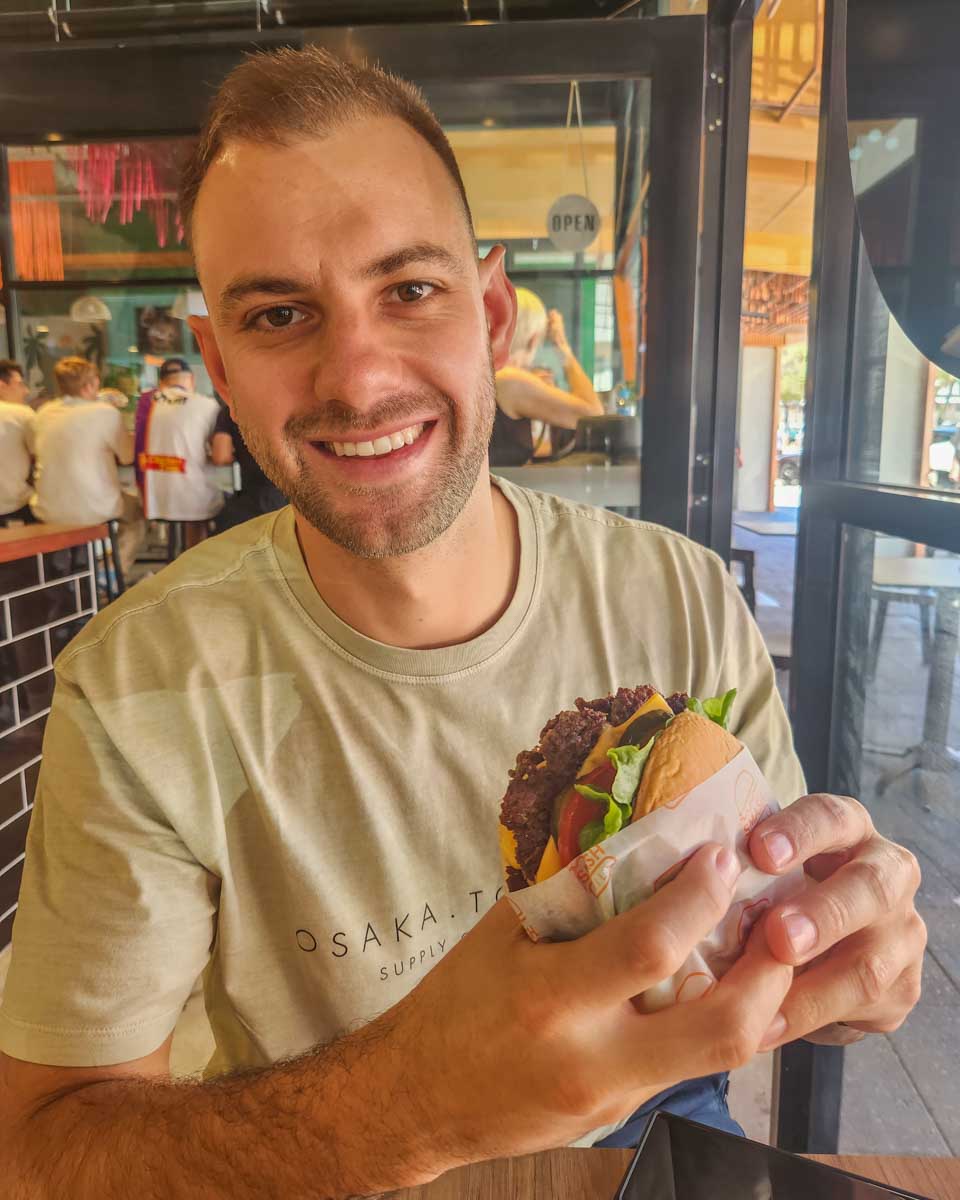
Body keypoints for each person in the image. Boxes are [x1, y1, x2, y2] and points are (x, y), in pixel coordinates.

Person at [0, 48, 924, 1198]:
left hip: (655, 1125)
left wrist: (848, 965)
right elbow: (44, 1150)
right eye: (280, 313)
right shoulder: (135, 682)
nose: (358, 375)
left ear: (490, 312)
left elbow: (782, 942)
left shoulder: (677, 593)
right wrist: (416, 1100)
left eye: (410, 290)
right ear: (220, 368)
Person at [29, 356, 145, 575]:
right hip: (95, 508)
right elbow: (128, 457)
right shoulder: (105, 413)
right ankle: (111, 574)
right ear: (91, 384)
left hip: (47, 508)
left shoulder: (44, 413)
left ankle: (77, 573)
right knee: (137, 515)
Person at [490, 287, 604, 465]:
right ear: (534, 339)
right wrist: (563, 347)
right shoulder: (509, 379)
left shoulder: (494, 374)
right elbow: (593, 416)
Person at [137, 357, 224, 549]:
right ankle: (196, 561)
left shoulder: (145, 403)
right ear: (191, 380)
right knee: (210, 501)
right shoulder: (207, 405)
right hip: (192, 499)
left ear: (161, 382)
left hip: (154, 495)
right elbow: (219, 452)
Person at [209, 400, 286, 530]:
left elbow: (221, 456)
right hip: (288, 499)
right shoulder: (286, 403)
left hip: (251, 499)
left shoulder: (231, 409)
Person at [0, 359, 36, 527]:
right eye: (20, 384)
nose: (26, 391)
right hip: (14, 505)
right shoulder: (21, 413)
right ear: (2, 385)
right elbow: (44, 453)